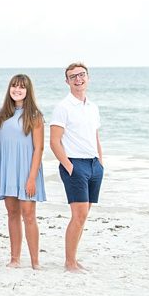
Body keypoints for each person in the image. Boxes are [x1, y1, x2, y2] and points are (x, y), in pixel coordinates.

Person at [50, 62, 103, 273]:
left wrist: (100, 162)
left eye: (81, 75)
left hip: (93, 164)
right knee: (78, 215)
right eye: (73, 77)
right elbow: (54, 141)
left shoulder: (92, 106)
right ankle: (69, 262)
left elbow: (95, 135)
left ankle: (74, 258)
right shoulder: (63, 107)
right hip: (75, 164)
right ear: (67, 81)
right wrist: (70, 166)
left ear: (88, 77)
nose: (78, 79)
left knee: (84, 216)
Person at [0, 74, 46, 269]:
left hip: (27, 170)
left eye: (22, 87)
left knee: (29, 214)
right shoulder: (2, 114)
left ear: (28, 91)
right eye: (14, 86)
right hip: (7, 170)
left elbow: (39, 148)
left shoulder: (34, 116)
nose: (17, 90)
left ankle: (35, 261)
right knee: (12, 213)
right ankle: (14, 259)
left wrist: (32, 178)